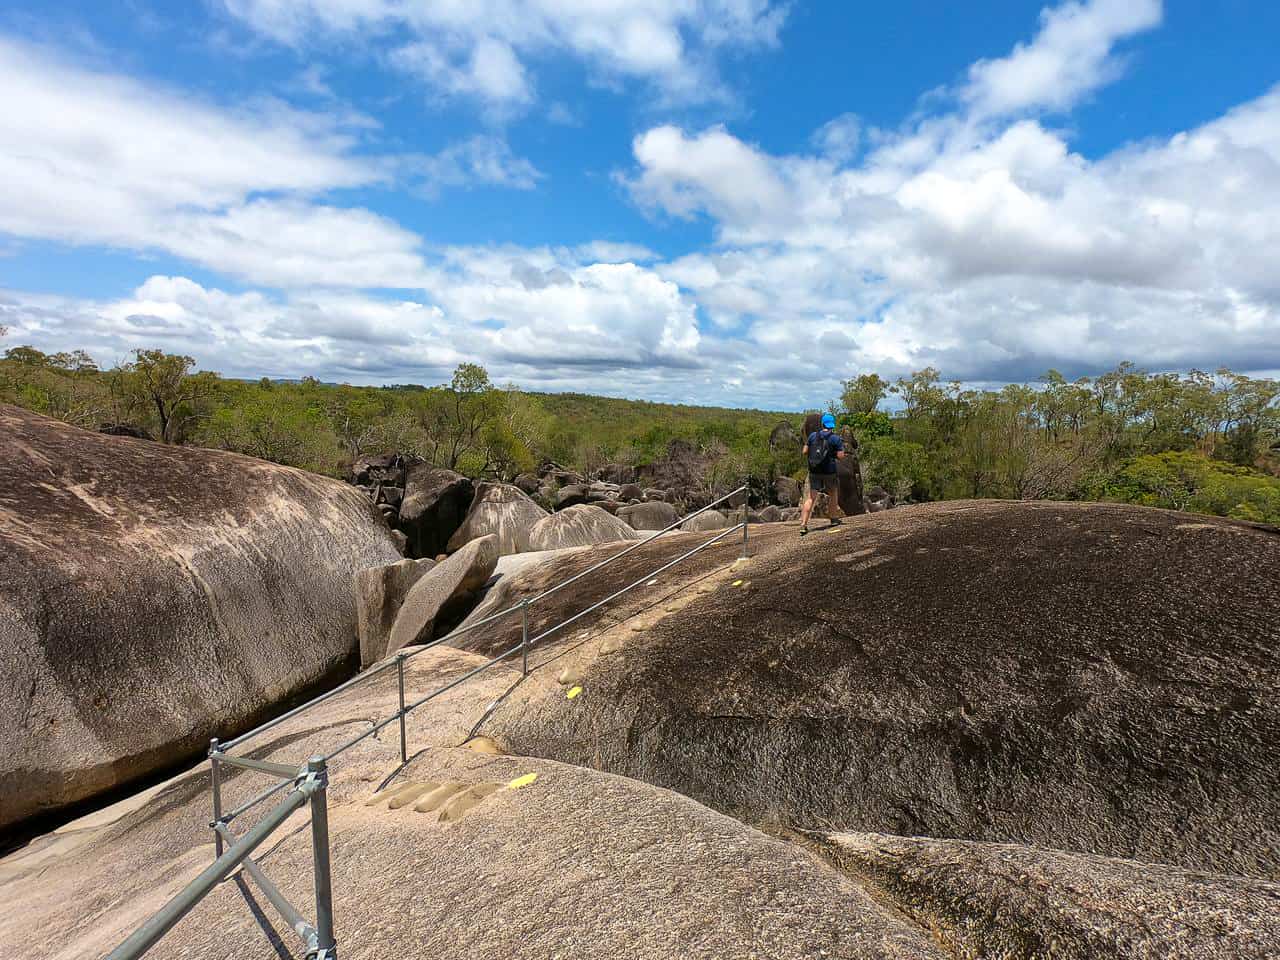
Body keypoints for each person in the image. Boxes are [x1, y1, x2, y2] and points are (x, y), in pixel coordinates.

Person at [800, 413, 846, 536]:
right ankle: (833, 519)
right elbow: (841, 456)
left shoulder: (813, 436)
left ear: (822, 424)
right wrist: (834, 453)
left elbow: (804, 451)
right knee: (833, 494)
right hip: (829, 471)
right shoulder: (835, 438)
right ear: (832, 425)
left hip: (814, 471)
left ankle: (803, 525)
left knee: (811, 498)